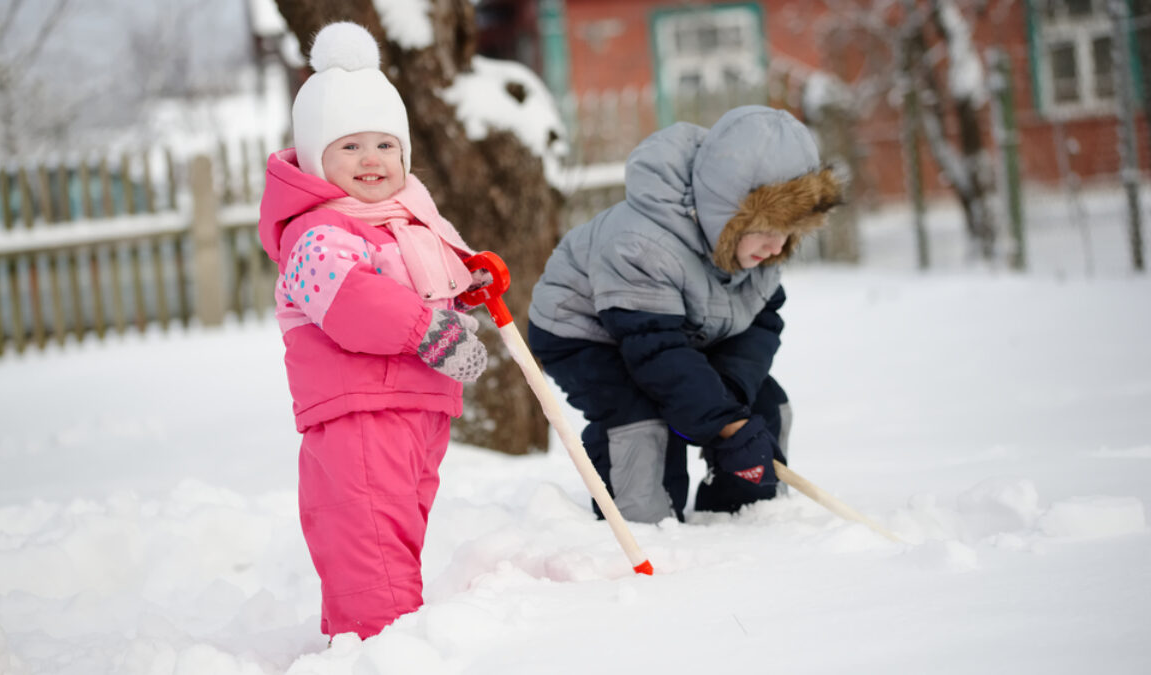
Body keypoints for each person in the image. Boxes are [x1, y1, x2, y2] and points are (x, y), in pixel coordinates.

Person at [257, 21, 487, 640]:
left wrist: (468, 282)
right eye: (350, 147)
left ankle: (358, 646)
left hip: (416, 410)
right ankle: (385, 650)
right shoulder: (314, 234)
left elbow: (425, 282)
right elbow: (355, 301)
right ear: (315, 159)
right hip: (362, 414)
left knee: (394, 539)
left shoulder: (403, 222)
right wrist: (431, 332)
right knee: (370, 546)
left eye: (385, 146)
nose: (371, 161)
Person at [528, 105, 843, 524]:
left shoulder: (760, 256)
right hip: (584, 330)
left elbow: (760, 324)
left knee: (762, 404)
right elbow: (656, 352)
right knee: (641, 418)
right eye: (766, 229)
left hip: (680, 332)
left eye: (789, 232)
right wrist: (720, 422)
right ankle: (643, 527)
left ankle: (747, 516)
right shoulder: (644, 243)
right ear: (726, 211)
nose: (777, 246)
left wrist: (728, 396)